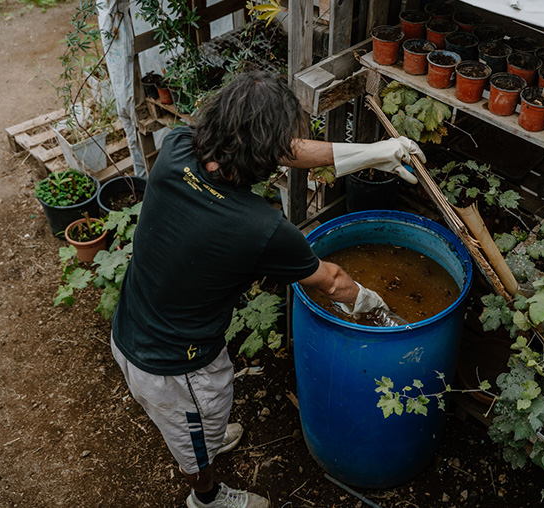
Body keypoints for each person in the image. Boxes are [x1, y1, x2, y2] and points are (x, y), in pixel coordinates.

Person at [110, 71, 425, 508]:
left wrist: (372, 153)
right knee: (194, 439)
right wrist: (376, 308)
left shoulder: (177, 149)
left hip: (131, 324)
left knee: (198, 426)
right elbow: (333, 280)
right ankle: (207, 496)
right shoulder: (258, 227)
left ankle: (205, 436)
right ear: (267, 155)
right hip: (173, 369)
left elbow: (280, 150)